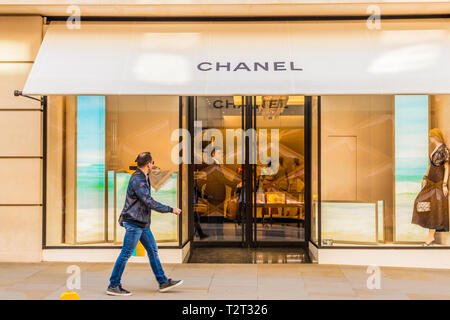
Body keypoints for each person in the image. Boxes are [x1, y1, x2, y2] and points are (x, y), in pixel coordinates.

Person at [107, 152, 183, 296]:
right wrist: (170, 209)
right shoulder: (138, 180)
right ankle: (113, 285)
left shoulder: (143, 177)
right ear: (148, 163)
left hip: (141, 223)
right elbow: (149, 201)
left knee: (152, 250)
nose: (153, 165)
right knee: (126, 254)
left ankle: (162, 281)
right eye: (152, 162)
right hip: (134, 223)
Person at [412, 129, 450, 245]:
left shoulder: (445, 149)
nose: (429, 138)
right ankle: (430, 236)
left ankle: (430, 237)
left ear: (435, 136)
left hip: (438, 183)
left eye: (430, 136)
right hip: (430, 182)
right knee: (419, 201)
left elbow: (447, 167)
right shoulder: (434, 149)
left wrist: (444, 185)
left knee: (434, 209)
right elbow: (431, 166)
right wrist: (425, 177)